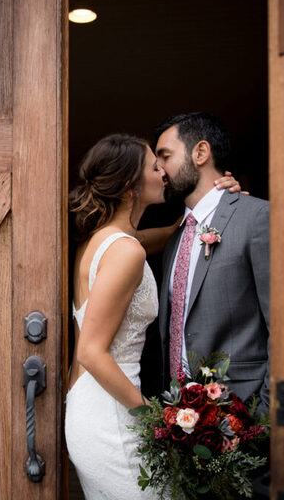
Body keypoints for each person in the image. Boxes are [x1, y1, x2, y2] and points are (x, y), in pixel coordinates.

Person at [64, 133, 241, 499]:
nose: (163, 171)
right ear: (130, 187)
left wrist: (213, 208)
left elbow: (162, 237)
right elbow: (91, 352)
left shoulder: (105, 240)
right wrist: (155, 417)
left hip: (94, 404)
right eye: (153, 165)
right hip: (111, 415)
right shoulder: (124, 252)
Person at [151, 112, 270, 415]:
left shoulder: (256, 217)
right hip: (182, 421)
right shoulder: (174, 240)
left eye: (165, 156)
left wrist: (266, 413)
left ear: (200, 152)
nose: (159, 170)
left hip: (245, 411)